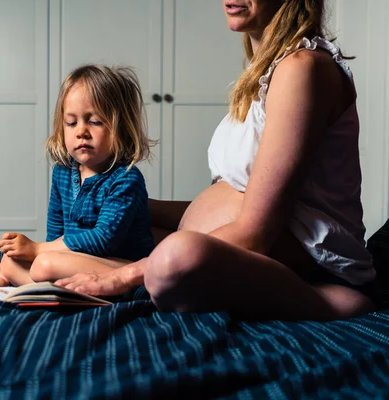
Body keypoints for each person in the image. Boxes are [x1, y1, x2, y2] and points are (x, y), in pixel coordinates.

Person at [55, 0, 379, 321]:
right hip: (252, 249)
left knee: (175, 257)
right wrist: (135, 205)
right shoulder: (269, 73)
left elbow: (257, 230)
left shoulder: (302, 69)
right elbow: (237, 199)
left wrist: (120, 277)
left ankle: (329, 302)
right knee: (124, 227)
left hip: (307, 262)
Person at [0, 64, 155, 286]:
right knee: (13, 260)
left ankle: (14, 277)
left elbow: (103, 240)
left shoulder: (125, 179)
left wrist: (38, 250)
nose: (81, 132)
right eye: (71, 122)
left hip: (121, 267)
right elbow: (56, 230)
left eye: (95, 122)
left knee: (44, 265)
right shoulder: (64, 172)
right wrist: (37, 251)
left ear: (121, 128)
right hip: (82, 260)